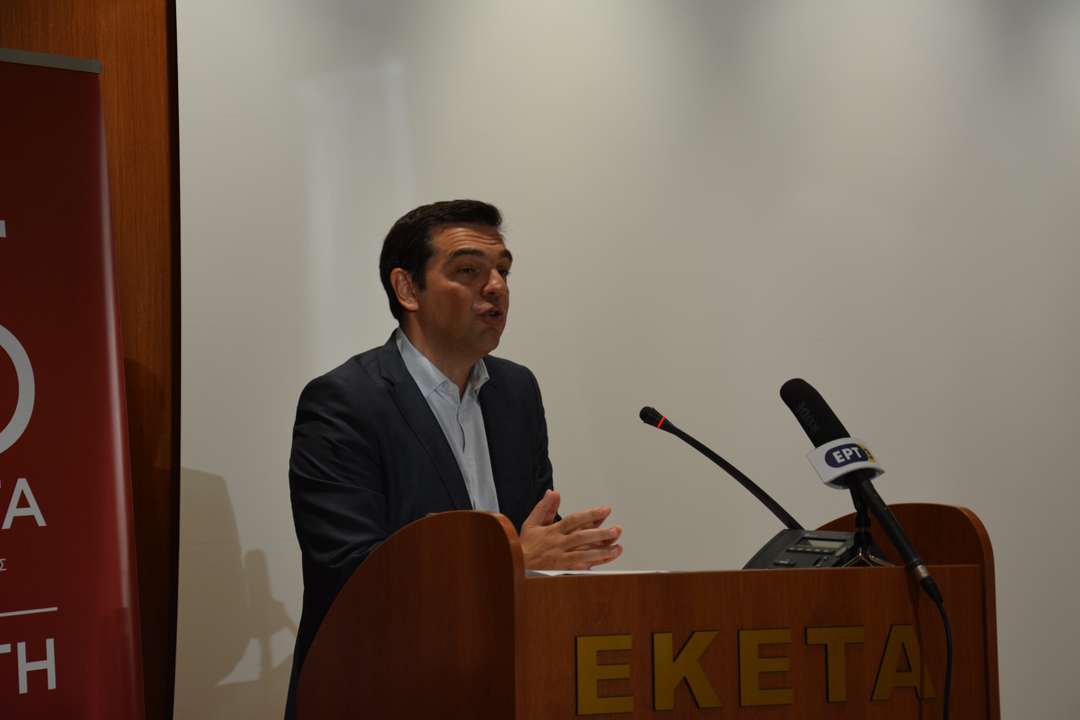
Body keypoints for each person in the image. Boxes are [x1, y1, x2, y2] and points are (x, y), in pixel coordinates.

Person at [284, 199, 623, 719]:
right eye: (468, 271)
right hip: (381, 689)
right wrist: (514, 561)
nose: (496, 287)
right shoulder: (344, 402)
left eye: (503, 270)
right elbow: (353, 574)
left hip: (502, 684)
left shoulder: (516, 391)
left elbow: (536, 538)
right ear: (407, 289)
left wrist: (562, 554)